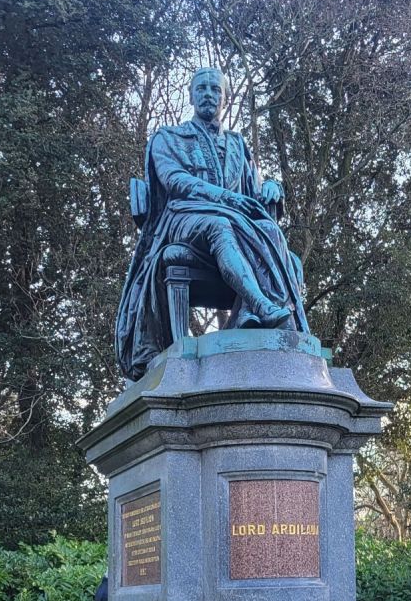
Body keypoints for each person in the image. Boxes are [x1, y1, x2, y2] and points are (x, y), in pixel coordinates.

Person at [115, 66, 309, 375]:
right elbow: (175, 181)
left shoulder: (237, 145)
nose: (209, 94)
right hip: (183, 221)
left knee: (272, 231)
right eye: (202, 88)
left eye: (215, 90)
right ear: (191, 96)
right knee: (220, 224)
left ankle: (248, 317)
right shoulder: (169, 138)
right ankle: (259, 303)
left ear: (224, 100)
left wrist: (273, 187)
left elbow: (253, 193)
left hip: (235, 224)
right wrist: (226, 199)